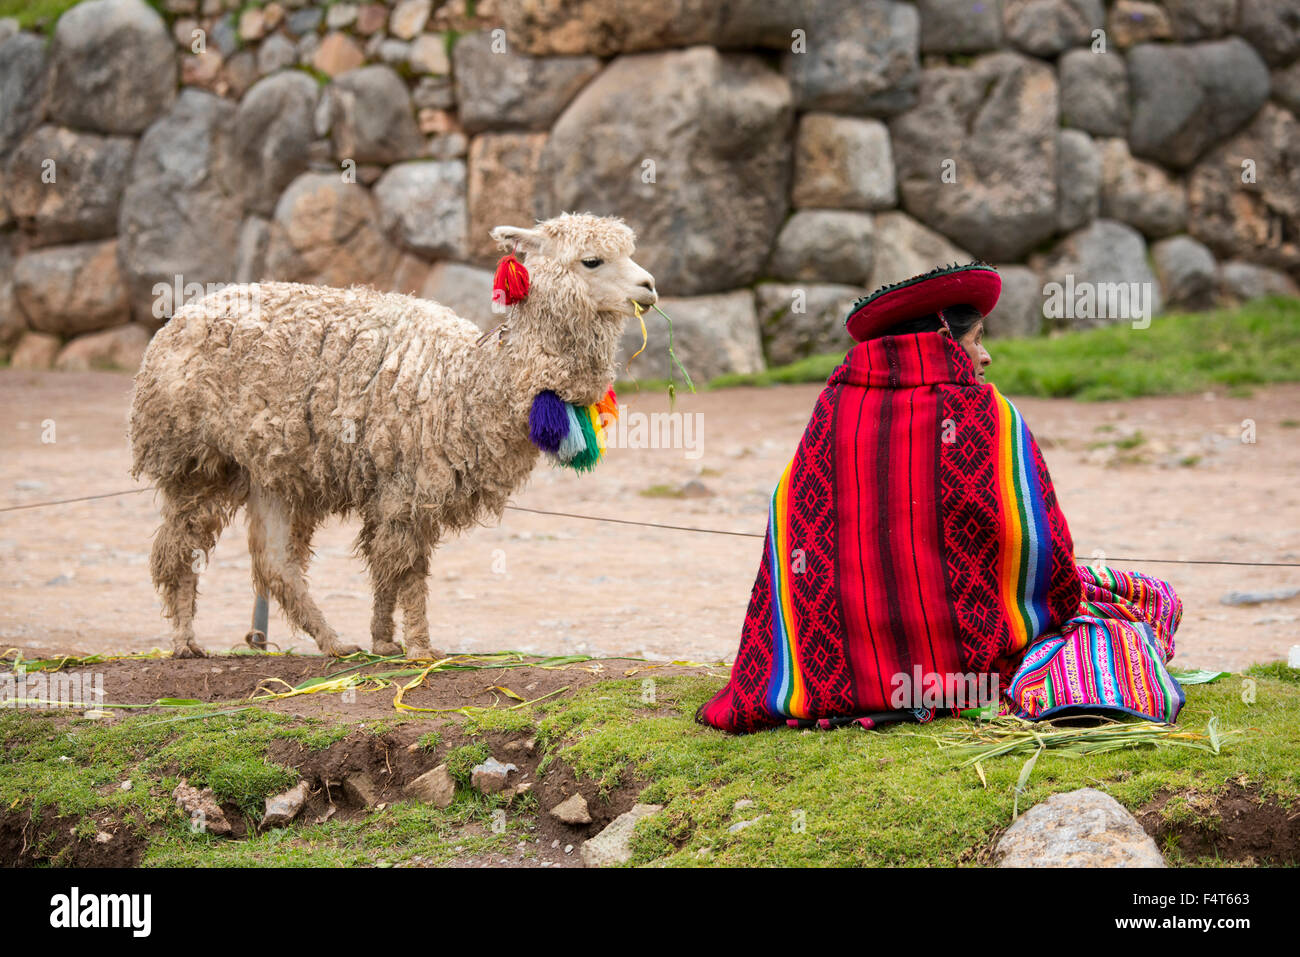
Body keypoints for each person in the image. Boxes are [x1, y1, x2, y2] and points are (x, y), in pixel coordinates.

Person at [698, 263, 1184, 734]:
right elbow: (1042, 555)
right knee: (1144, 599)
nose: (986, 356)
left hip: (831, 668)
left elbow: (794, 537)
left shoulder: (834, 407)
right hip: (958, 670)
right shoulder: (986, 414)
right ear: (943, 342)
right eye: (976, 340)